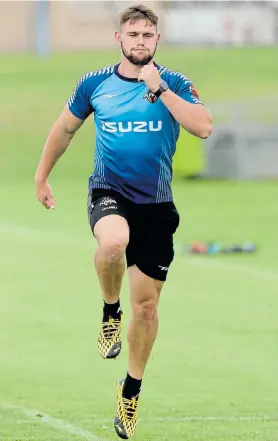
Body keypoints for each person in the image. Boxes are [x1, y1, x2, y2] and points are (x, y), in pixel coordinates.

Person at [34, 4, 212, 439]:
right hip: (108, 191)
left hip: (156, 205)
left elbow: (203, 127)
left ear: (156, 40)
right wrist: (42, 176)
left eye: (147, 36)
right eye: (132, 34)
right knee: (112, 243)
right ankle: (109, 311)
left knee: (148, 308)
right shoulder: (94, 84)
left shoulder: (173, 82)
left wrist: (162, 92)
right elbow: (65, 129)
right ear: (118, 38)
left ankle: (130, 390)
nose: (139, 41)